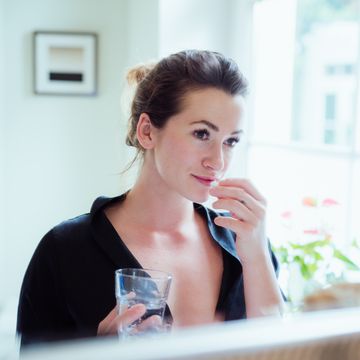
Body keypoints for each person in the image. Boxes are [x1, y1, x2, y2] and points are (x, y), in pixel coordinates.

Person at [17, 49, 284, 347]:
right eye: (201, 134)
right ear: (146, 132)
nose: (218, 161)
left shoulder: (243, 242)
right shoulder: (64, 251)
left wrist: (258, 256)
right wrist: (99, 354)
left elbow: (282, 351)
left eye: (231, 141)